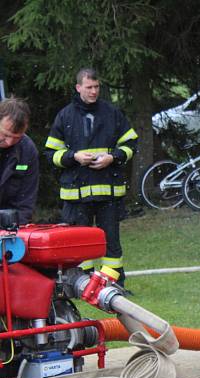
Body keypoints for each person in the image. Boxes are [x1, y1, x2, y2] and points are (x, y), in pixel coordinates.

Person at [44, 67, 138, 284]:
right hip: (77, 194)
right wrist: (73, 156)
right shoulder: (65, 115)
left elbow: (131, 144)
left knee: (111, 243)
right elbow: (50, 154)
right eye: (89, 87)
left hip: (108, 192)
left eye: (96, 87)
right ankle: (81, 285)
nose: (94, 91)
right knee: (79, 244)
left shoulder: (112, 113)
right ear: (78, 88)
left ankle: (113, 286)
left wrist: (112, 157)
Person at [0, 97, 39, 225]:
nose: (10, 142)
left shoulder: (27, 150)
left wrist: (15, 228)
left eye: (16, 138)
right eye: (5, 135)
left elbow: (26, 203)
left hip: (9, 224)